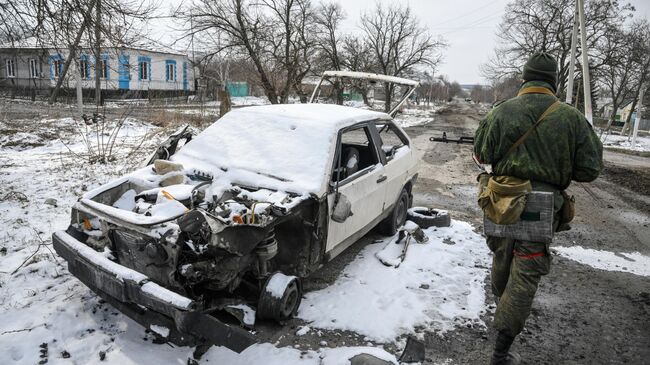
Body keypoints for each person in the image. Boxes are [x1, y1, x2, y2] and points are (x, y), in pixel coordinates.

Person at [473, 52, 603, 365]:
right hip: (541, 207)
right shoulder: (571, 118)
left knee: (502, 258)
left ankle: (500, 308)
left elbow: (481, 153)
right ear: (554, 81)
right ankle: (500, 353)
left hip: (501, 200)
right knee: (526, 274)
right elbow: (590, 169)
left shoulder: (502, 111)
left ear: (525, 78)